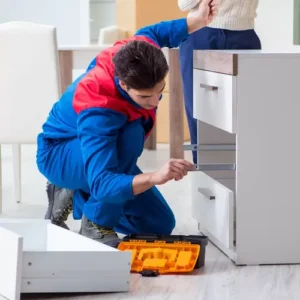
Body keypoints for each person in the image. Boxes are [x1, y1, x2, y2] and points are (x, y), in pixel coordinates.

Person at [36, 0, 218, 248]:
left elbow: (154, 33)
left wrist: (196, 20)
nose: (153, 102)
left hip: (96, 151)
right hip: (59, 153)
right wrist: (155, 176)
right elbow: (103, 182)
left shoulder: (137, 52)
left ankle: (76, 191)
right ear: (123, 84)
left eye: (159, 92)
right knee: (129, 134)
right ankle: (95, 222)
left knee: (158, 223)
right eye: (144, 96)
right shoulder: (98, 107)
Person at [178, 0, 261, 163]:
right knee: (198, 106)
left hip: (243, 34)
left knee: (244, 110)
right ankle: (202, 168)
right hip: (199, 31)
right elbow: (184, 3)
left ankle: (246, 172)